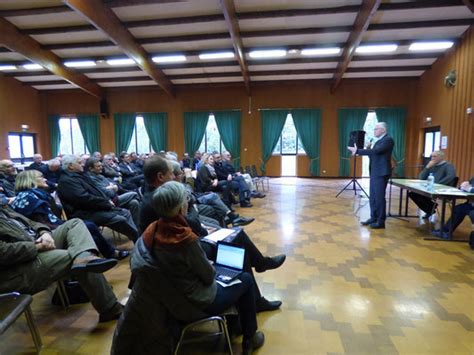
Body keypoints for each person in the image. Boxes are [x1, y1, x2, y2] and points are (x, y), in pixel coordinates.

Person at [139, 155, 285, 312]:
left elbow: (189, 218)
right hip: (181, 252)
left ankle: (257, 284)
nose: (175, 176)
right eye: (171, 173)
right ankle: (257, 285)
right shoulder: (160, 199)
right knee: (236, 239)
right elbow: (192, 224)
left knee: (236, 238)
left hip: (175, 248)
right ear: (161, 177)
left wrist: (191, 208)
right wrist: (192, 207)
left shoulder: (156, 195)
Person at [144, 181, 265, 353]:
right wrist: (208, 264)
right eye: (185, 200)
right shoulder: (184, 239)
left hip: (172, 297)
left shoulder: (153, 230)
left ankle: (235, 325)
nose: (187, 202)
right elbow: (208, 276)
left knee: (232, 273)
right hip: (198, 300)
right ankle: (249, 337)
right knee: (244, 278)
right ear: (180, 208)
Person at [0, 203, 123, 323]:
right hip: (19, 269)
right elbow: (3, 253)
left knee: (74, 224)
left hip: (36, 244)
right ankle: (110, 308)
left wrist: (44, 233)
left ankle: (83, 257)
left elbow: (32, 223)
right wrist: (36, 246)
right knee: (73, 257)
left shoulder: (3, 207)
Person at [12, 170, 129, 260]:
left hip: (52, 227)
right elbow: (41, 223)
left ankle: (100, 259)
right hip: (44, 235)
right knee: (88, 226)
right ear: (30, 180)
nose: (45, 179)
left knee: (90, 230)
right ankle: (108, 254)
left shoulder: (37, 194)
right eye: (41, 177)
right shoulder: (28, 197)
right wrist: (66, 227)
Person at [57, 155, 139, 242]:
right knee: (120, 219)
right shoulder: (67, 181)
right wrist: (106, 203)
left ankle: (138, 236)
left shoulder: (79, 175)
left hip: (95, 207)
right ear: (70, 166)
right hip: (84, 213)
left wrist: (106, 201)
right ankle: (138, 238)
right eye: (79, 163)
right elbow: (84, 199)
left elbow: (96, 192)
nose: (83, 165)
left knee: (127, 211)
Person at [348, 122, 394, 229]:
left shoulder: (388, 140)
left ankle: (380, 221)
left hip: (381, 172)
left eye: (376, 129)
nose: (374, 130)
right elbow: (374, 155)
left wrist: (359, 151)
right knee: (373, 197)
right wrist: (366, 150)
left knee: (379, 197)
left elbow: (377, 151)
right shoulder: (378, 141)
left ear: (383, 130)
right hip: (375, 171)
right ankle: (373, 218)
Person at [408, 150, 456, 218]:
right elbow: (421, 177)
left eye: (434, 156)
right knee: (413, 194)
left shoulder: (448, 165)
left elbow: (451, 176)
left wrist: (439, 184)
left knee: (419, 195)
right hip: (430, 187)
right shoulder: (432, 165)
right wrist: (427, 167)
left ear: (441, 157)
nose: (432, 158)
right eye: (432, 156)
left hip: (442, 189)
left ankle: (430, 209)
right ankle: (430, 209)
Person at [432, 177, 474, 242]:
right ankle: (445, 231)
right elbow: (467, 185)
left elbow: (470, 189)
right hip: (471, 204)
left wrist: (469, 189)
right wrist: (463, 186)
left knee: (470, 212)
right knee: (458, 209)